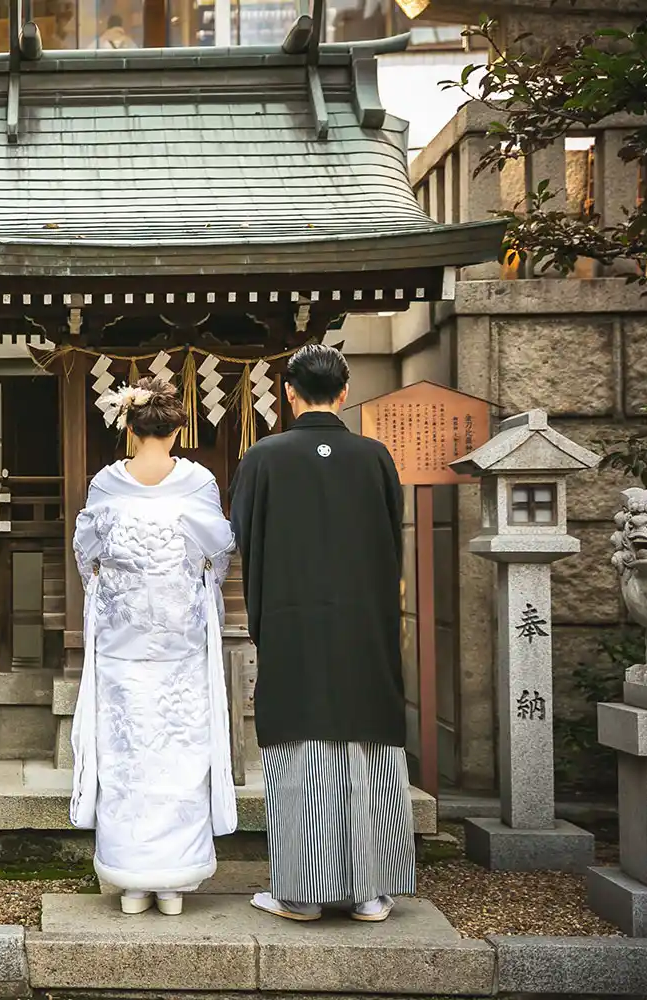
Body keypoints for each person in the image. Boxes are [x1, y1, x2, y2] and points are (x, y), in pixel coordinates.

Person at [228, 343, 414, 923]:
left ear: (287, 392)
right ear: (345, 391)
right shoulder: (375, 457)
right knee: (366, 750)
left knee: (299, 751)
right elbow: (391, 543)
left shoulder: (264, 457)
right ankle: (369, 892)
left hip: (291, 619)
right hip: (363, 624)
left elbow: (243, 538)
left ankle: (300, 892)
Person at [70, 376, 237, 916]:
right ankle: (174, 883)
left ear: (128, 425)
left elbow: (86, 557)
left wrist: (111, 595)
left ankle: (132, 879)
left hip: (122, 639)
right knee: (181, 750)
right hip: (181, 640)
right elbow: (218, 556)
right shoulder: (199, 482)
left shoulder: (106, 483)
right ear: (177, 426)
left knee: (125, 754)